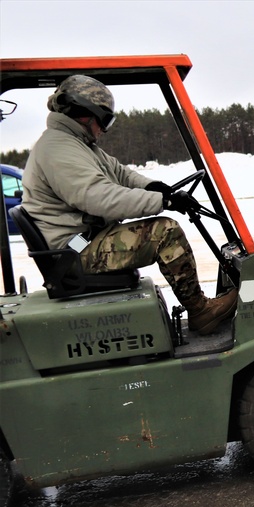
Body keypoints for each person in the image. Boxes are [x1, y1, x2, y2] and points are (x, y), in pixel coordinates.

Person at [21, 75, 237, 334]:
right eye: (105, 120)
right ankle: (201, 312)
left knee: (161, 225)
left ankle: (201, 307)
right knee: (164, 232)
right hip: (74, 251)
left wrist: (156, 188)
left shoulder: (77, 144)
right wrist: (163, 201)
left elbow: (121, 174)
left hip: (82, 241)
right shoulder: (59, 148)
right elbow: (100, 198)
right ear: (87, 114)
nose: (105, 129)